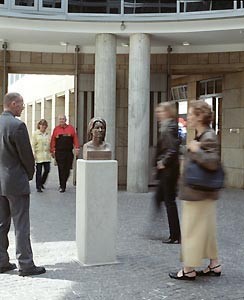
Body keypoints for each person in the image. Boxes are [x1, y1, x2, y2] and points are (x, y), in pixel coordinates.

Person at [169, 100, 222, 281]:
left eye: (191, 114)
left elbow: (212, 162)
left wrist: (195, 150)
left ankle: (188, 269)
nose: (188, 117)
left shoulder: (208, 136)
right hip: (201, 193)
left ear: (200, 116)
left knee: (191, 230)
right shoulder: (203, 135)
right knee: (206, 230)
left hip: (198, 193)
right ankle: (214, 264)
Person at [0, 92, 46, 276]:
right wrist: (30, 173)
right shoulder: (17, 125)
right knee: (21, 224)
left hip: (0, 181)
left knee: (1, 224)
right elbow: (26, 156)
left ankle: (1, 261)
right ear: (12, 104)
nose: (23, 107)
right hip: (15, 182)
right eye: (21, 104)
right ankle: (25, 264)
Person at [154, 102, 181, 244]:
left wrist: (163, 162)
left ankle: (175, 235)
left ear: (168, 112)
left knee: (169, 202)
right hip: (168, 170)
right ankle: (173, 233)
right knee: (161, 198)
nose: (158, 114)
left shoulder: (169, 127)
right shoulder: (166, 126)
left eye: (161, 111)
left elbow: (172, 149)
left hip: (169, 170)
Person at [50, 114, 79, 192]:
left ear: (65, 120)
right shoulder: (56, 129)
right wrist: (52, 150)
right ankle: (62, 186)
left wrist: (77, 148)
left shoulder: (71, 128)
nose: (61, 121)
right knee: (61, 168)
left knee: (68, 168)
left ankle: (64, 181)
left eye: (63, 119)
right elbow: (53, 140)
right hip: (59, 152)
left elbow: (75, 139)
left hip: (69, 152)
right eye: (60, 119)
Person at [32, 119, 51, 192]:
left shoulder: (47, 134)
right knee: (39, 171)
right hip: (39, 155)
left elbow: (49, 144)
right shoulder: (35, 134)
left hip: (46, 155)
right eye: (42, 125)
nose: (43, 126)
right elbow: (33, 145)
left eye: (44, 125)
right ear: (39, 125)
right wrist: (33, 153)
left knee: (47, 170)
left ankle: (42, 182)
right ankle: (38, 186)